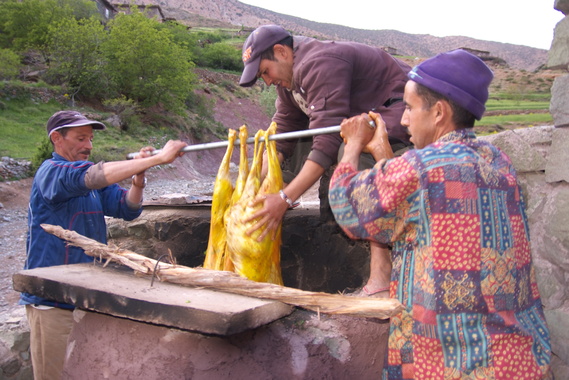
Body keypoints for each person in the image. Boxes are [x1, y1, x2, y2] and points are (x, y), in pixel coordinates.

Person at [329, 49, 552, 378]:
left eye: (408, 107)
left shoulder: (423, 167)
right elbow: (410, 208)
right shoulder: (497, 161)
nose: (403, 120)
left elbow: (347, 206)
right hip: (519, 359)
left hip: (453, 368)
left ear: (438, 113)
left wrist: (352, 143)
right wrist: (380, 152)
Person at [239, 24, 413, 297]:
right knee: (285, 145)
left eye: (265, 72)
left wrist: (285, 199)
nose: (268, 81)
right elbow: (285, 131)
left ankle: (382, 269)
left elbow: (327, 143)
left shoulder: (318, 63)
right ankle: (262, 215)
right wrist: (252, 185)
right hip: (353, 119)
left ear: (281, 52)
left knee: (353, 153)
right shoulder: (288, 80)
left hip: (395, 110)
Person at [20, 110, 188, 380]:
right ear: (56, 138)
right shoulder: (51, 172)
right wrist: (159, 158)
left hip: (88, 295)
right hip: (52, 301)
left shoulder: (90, 183)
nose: (88, 145)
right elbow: (91, 176)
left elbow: (128, 207)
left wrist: (139, 177)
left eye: (90, 139)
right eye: (81, 138)